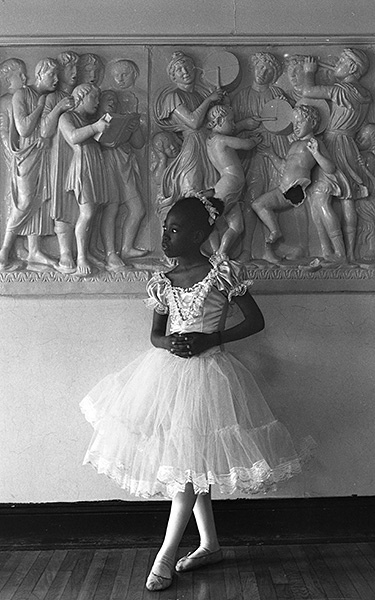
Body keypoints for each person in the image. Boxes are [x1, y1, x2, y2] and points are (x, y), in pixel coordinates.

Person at [80, 193, 314, 592]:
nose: (166, 237)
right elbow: (156, 334)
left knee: (189, 465)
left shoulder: (222, 273)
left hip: (212, 374)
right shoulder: (162, 281)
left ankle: (165, 555)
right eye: (165, 229)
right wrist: (168, 343)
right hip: (167, 377)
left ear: (199, 234)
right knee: (190, 460)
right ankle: (209, 543)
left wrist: (212, 340)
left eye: (174, 230)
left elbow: (255, 321)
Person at [300, 49, 372, 262]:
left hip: (333, 144)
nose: (336, 64)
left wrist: (309, 71)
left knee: (320, 197)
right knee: (348, 198)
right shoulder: (364, 94)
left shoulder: (342, 90)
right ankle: (350, 253)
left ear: (352, 68)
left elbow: (307, 90)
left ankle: (337, 252)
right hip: (349, 145)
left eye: (341, 61)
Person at [232, 52, 292, 262]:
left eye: (268, 70)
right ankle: (247, 249)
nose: (263, 73)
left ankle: (269, 249)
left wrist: (286, 110)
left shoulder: (277, 93)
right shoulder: (241, 96)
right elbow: (229, 128)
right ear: (254, 68)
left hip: (275, 148)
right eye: (260, 68)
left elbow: (293, 122)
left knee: (272, 199)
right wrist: (245, 125)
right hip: (252, 150)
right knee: (251, 198)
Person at [0, 57, 59, 270]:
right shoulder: (22, 95)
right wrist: (41, 106)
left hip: (43, 153)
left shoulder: (47, 96)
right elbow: (24, 128)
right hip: (26, 154)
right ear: (41, 74)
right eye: (52, 75)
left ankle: (35, 250)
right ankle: (4, 250)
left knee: (40, 200)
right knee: (24, 202)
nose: (56, 79)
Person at [252, 104, 336, 251]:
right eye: (294, 123)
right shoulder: (294, 144)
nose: (296, 126)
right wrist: (271, 154)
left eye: (300, 122)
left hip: (296, 190)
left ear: (313, 123)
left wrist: (316, 153)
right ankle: (275, 230)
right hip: (282, 189)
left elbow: (330, 168)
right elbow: (283, 167)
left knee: (262, 204)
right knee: (258, 204)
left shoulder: (315, 143)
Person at [154, 51, 223, 206]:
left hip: (208, 144)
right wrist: (209, 100)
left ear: (194, 69)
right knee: (192, 189)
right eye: (179, 70)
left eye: (187, 68)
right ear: (173, 77)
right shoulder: (173, 97)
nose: (184, 72)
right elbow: (193, 122)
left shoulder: (198, 95)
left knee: (214, 191)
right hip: (193, 146)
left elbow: (207, 123)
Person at [58, 83, 110, 275]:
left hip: (94, 166)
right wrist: (96, 126)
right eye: (93, 98)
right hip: (82, 167)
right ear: (81, 96)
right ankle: (80, 257)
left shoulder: (86, 119)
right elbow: (72, 136)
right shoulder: (67, 117)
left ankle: (86, 251)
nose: (97, 103)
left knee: (93, 213)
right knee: (86, 213)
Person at [205, 104, 262, 256]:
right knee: (212, 219)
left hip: (233, 188)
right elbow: (245, 144)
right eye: (231, 121)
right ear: (219, 121)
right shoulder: (221, 140)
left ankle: (221, 254)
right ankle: (215, 253)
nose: (234, 125)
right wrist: (254, 141)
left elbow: (230, 132)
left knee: (237, 227)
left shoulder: (211, 140)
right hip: (229, 184)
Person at [41, 51, 78, 271]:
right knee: (63, 202)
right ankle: (65, 252)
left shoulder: (81, 94)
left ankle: (84, 251)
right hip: (61, 155)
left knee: (84, 203)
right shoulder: (52, 98)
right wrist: (58, 108)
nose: (74, 74)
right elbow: (45, 131)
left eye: (77, 69)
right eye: (69, 69)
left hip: (82, 155)